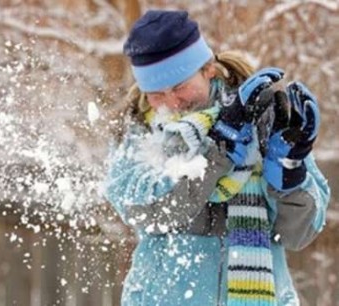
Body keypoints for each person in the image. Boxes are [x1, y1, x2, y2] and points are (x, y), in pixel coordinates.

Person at [104, 10, 330, 306]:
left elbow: (300, 234)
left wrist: (290, 179)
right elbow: (148, 212)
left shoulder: (262, 118)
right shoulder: (141, 132)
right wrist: (218, 149)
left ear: (208, 68)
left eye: (179, 86)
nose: (171, 103)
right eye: (156, 94)